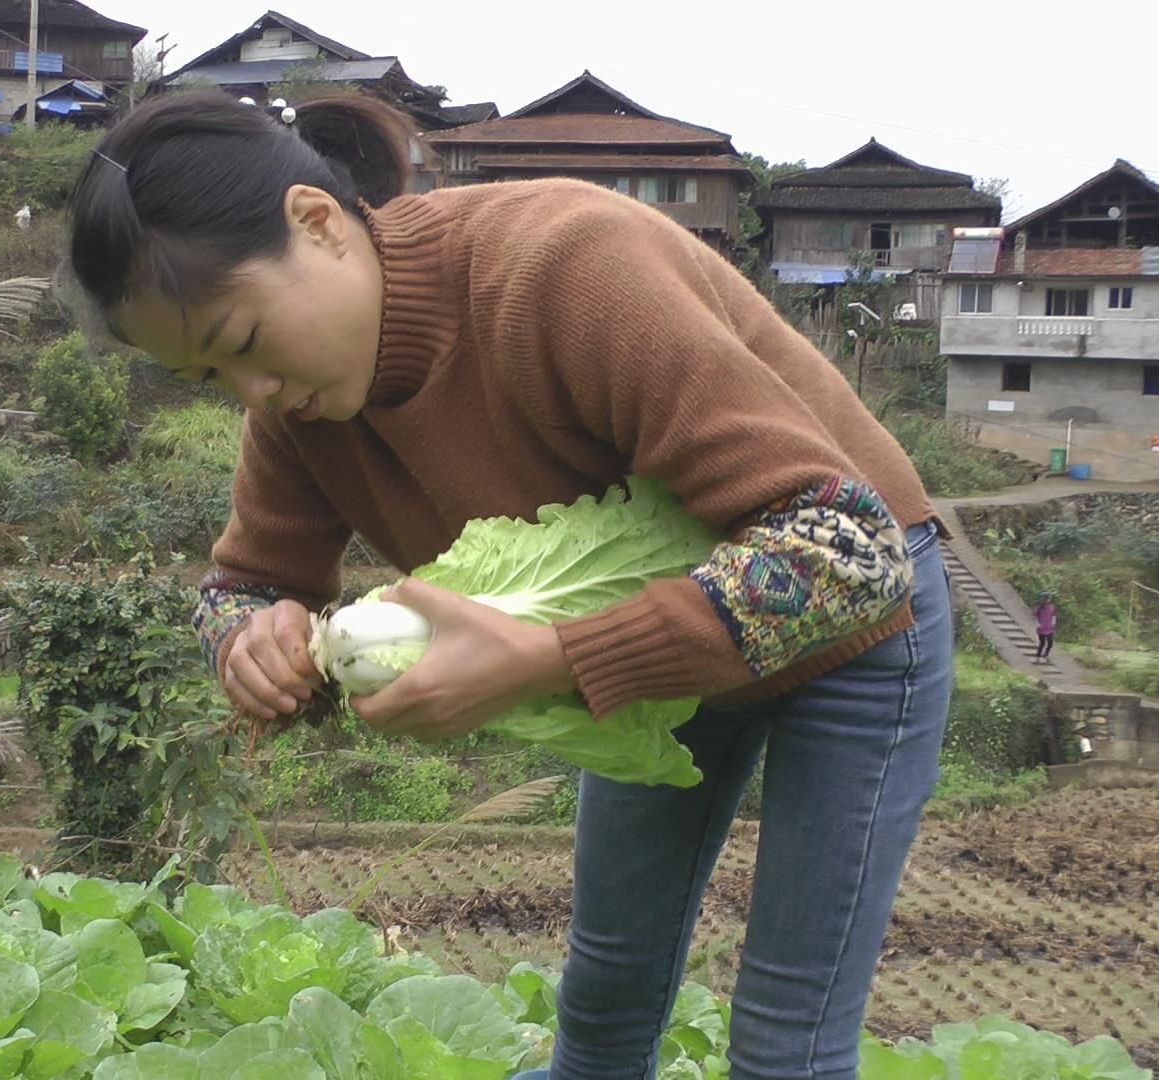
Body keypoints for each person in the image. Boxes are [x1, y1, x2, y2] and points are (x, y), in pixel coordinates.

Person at [64, 90, 952, 1080]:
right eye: (211, 379)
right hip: (655, 650)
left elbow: (850, 551)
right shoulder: (297, 410)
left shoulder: (563, 267)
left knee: (786, 1041)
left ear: (318, 223)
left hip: (853, 628)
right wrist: (248, 642)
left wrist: (549, 659)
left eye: (240, 342)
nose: (252, 395)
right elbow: (239, 584)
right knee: (605, 1005)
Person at [1034, 592, 1058, 660]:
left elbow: (1054, 615)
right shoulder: (1039, 607)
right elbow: (1035, 616)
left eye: (1046, 598)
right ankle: (1038, 656)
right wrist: (1038, 624)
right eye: (1044, 598)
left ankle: (1046, 654)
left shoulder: (1052, 606)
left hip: (1049, 628)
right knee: (1042, 643)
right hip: (1041, 628)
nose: (1045, 600)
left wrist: (1053, 624)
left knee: (1050, 643)